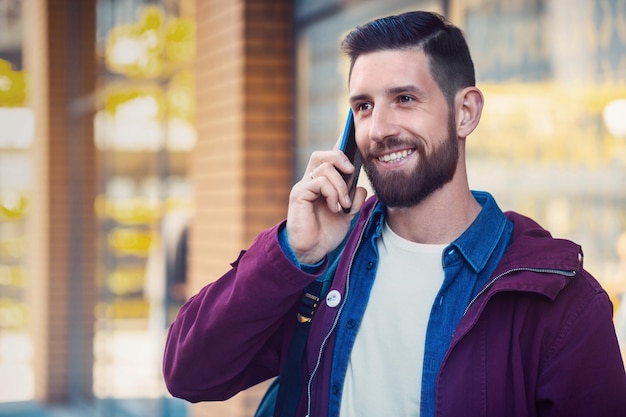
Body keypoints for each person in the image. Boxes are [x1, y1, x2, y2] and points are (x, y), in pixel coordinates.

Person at [162, 11, 626, 417]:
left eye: (404, 99)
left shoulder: (558, 300)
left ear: (465, 112)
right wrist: (292, 253)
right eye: (363, 107)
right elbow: (190, 374)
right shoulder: (321, 267)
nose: (379, 129)